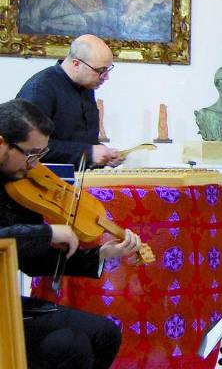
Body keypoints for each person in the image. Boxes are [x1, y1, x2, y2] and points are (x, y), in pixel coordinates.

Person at [0, 98, 143, 368]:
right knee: (69, 345)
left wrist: (100, 254)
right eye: (31, 154)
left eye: (41, 155)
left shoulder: (18, 183)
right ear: (2, 143)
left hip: (6, 303)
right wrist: (44, 233)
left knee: (104, 334)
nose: (34, 165)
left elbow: (32, 260)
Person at [16, 34, 122, 168]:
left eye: (108, 69)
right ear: (76, 64)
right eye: (100, 70)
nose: (106, 77)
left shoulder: (86, 86)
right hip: (47, 180)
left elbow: (78, 140)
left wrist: (103, 153)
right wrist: (88, 153)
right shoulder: (40, 89)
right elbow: (27, 146)